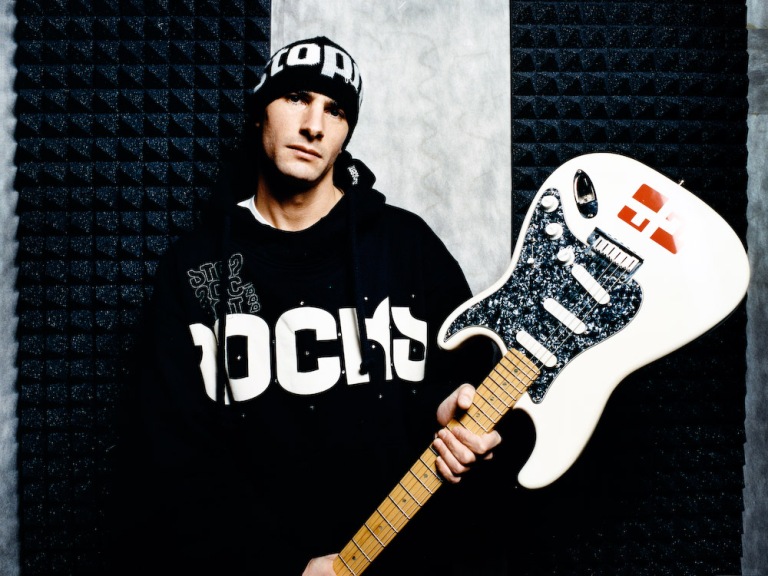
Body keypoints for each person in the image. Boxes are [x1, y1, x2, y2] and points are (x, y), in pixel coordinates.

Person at [111, 36, 507, 575]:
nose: (314, 125)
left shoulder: (407, 247)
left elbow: (473, 392)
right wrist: (287, 566)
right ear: (259, 113)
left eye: (335, 109)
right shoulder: (196, 268)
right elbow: (170, 460)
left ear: (345, 134)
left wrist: (462, 421)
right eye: (297, 97)